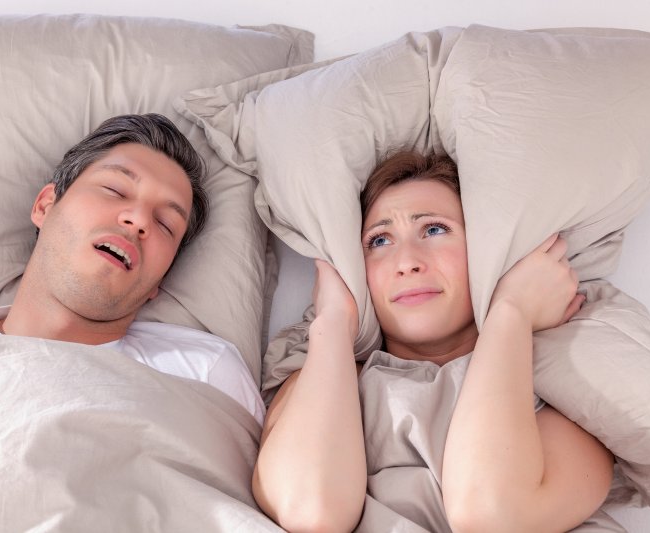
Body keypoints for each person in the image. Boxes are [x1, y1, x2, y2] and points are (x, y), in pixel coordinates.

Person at [252, 151, 614, 531]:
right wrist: (333, 320)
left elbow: (492, 517)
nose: (407, 260)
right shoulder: (321, 378)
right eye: (379, 240)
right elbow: (309, 511)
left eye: (434, 229)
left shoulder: (562, 391)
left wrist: (511, 311)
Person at [0, 113, 264, 424]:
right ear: (45, 205)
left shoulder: (202, 374)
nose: (138, 219)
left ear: (157, 283)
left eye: (165, 225)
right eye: (115, 189)